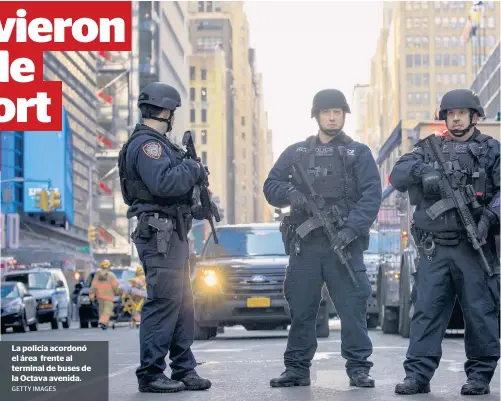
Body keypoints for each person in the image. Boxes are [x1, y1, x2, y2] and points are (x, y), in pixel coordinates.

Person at [263, 89, 382, 388]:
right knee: (302, 308)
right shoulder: (297, 153)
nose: (332, 116)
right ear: (316, 116)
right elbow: (271, 186)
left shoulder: (358, 153)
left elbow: (371, 196)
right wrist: (292, 195)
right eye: (327, 111)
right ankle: (297, 369)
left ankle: (358, 368)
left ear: (344, 115)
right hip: (306, 246)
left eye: (338, 112)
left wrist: (350, 229)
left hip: (344, 244)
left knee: (352, 308)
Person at [390, 88, 500, 396]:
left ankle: (479, 375)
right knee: (426, 311)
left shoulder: (491, 150)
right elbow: (397, 175)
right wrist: (425, 171)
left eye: (461, 114)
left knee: (480, 312)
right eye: (450, 114)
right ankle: (417, 376)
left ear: (474, 117)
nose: (455, 118)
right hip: (434, 248)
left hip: (474, 247)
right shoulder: (428, 149)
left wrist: (488, 218)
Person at [118, 82, 212, 393]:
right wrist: (191, 168)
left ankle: (184, 368)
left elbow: (177, 190)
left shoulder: (160, 144)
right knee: (163, 302)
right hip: (160, 234)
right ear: (167, 111)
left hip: (173, 232)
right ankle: (150, 373)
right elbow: (163, 184)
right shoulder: (149, 146)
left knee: (183, 303)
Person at [88, 260, 120, 330]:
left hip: (99, 296)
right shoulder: (111, 275)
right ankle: (103, 322)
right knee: (107, 311)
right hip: (109, 296)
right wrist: (117, 292)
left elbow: (93, 286)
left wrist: (92, 296)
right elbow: (115, 286)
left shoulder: (97, 275)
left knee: (101, 310)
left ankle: (105, 324)